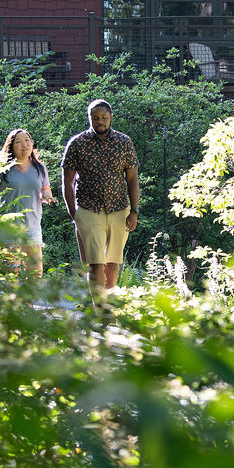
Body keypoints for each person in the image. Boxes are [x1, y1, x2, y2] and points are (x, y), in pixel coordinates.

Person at [61, 99, 139, 312]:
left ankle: (109, 305)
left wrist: (134, 210)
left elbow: (132, 178)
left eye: (104, 117)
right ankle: (101, 310)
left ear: (110, 117)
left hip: (118, 209)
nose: (100, 121)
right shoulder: (77, 143)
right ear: (90, 119)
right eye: (96, 118)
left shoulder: (123, 142)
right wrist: (73, 213)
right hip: (88, 209)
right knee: (96, 263)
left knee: (113, 263)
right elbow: (67, 180)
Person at [0, 128, 55, 277]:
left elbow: (45, 189)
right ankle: (13, 300)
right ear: (11, 146)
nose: (24, 144)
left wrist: (48, 196)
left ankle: (28, 301)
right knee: (11, 272)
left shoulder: (40, 167)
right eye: (19, 142)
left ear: (32, 144)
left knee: (35, 272)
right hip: (9, 226)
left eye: (27, 140)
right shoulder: (3, 168)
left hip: (32, 225)